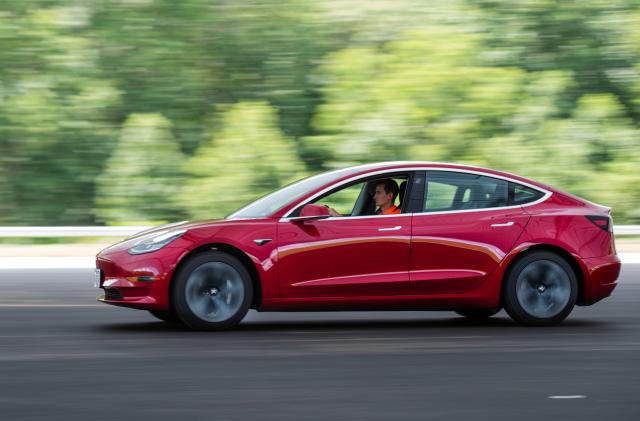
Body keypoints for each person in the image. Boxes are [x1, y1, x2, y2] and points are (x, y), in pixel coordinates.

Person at [326, 178, 401, 216]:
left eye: (378, 193)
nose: (374, 197)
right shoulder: (380, 213)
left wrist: (338, 216)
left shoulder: (395, 215)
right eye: (375, 193)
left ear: (390, 196)